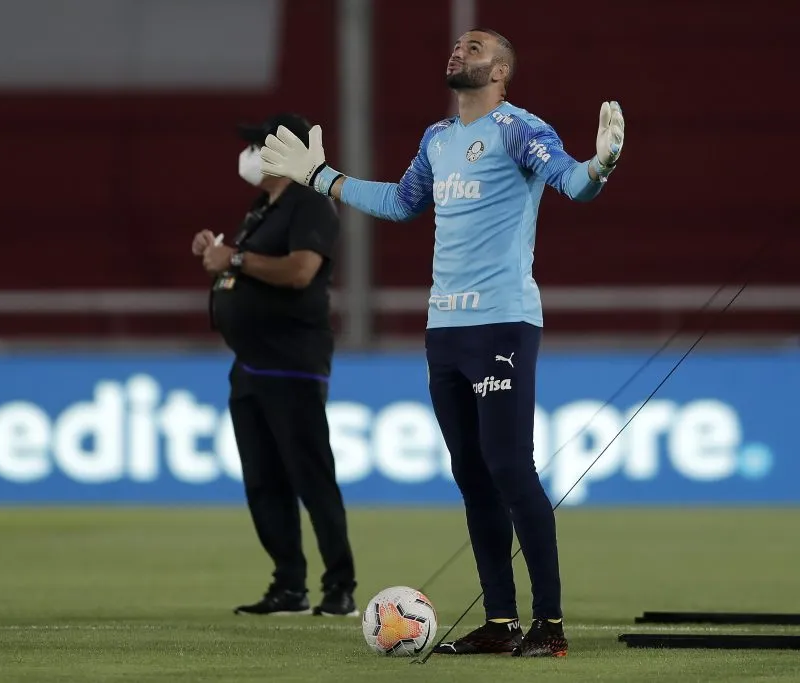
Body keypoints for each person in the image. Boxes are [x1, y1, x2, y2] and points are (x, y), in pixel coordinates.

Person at [257, 29, 625, 656]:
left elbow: (572, 184)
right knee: (473, 476)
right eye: (457, 46)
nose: (460, 52)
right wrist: (320, 176)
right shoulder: (437, 138)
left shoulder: (518, 129)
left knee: (511, 467)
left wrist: (601, 166)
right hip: (445, 331)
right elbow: (402, 204)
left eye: (475, 48)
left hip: (502, 322)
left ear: (502, 68)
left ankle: (551, 626)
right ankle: (502, 624)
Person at [191, 112, 359, 618]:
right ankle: (289, 586)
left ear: (282, 151)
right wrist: (221, 255)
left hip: (292, 363)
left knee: (310, 476)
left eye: (256, 145)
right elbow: (243, 268)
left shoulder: (309, 203)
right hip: (251, 364)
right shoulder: (264, 206)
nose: (246, 155)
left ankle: (340, 587)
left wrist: (235, 261)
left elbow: (300, 271)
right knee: (263, 481)